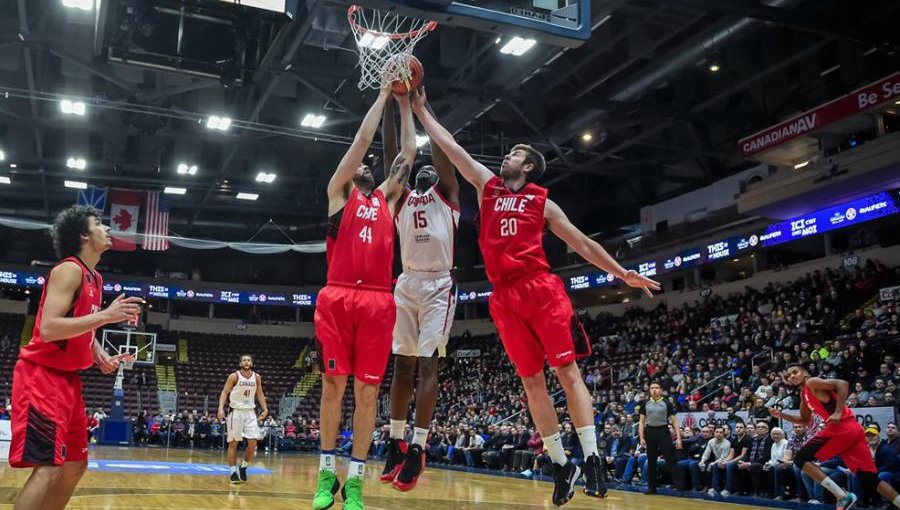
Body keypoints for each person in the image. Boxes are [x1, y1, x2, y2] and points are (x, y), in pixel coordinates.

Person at [411, 86, 659, 506]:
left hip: (541, 290)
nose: (504, 158)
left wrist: (620, 273)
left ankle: (594, 456)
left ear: (527, 166)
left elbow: (581, 242)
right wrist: (421, 109)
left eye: (513, 155)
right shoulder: (487, 187)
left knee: (567, 373)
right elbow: (451, 146)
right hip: (504, 297)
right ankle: (562, 464)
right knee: (530, 382)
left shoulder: (543, 202)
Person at [312, 84, 414, 510]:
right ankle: (324, 476)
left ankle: (354, 481)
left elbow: (407, 152)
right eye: (364, 164)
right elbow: (361, 141)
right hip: (337, 298)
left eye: (372, 166)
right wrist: (380, 97)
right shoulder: (339, 191)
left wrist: (405, 103)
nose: (367, 165)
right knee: (333, 388)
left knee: (368, 394)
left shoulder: (388, 199)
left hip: (377, 300)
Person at [9, 205, 140, 510]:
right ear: (84, 234)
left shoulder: (94, 277)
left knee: (74, 465)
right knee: (48, 468)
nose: (107, 229)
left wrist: (99, 354)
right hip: (41, 377)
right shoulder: (68, 269)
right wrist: (106, 316)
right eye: (100, 224)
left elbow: (82, 326)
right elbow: (50, 328)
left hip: (68, 381)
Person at [381, 96, 460, 492]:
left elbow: (442, 150)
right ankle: (396, 440)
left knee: (429, 365)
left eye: (430, 166)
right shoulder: (400, 198)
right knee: (402, 365)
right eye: (420, 166)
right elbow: (393, 154)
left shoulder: (448, 194)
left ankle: (418, 446)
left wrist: (424, 108)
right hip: (407, 282)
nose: (426, 168)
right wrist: (395, 107)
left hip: (438, 285)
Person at [770, 363, 900, 510]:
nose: (792, 376)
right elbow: (805, 421)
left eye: (795, 372)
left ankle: (843, 496)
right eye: (789, 375)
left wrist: (838, 411)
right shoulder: (804, 395)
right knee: (869, 479)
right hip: (853, 431)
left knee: (800, 459)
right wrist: (781, 415)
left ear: (804, 372)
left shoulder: (812, 382)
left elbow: (842, 384)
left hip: (841, 429)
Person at [217, 354, 268, 484]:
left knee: (253, 443)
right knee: (233, 443)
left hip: (250, 412)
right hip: (236, 411)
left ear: (251, 363)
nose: (246, 362)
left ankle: (244, 466)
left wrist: (265, 409)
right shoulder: (234, 376)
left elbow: (260, 394)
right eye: (244, 360)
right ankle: (233, 471)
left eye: (248, 360)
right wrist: (220, 408)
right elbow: (224, 392)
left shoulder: (257, 377)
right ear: (241, 363)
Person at [638, 382, 682, 494]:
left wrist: (678, 438)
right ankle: (652, 488)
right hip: (649, 432)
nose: (654, 390)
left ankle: (679, 486)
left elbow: (675, 422)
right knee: (651, 461)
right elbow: (641, 422)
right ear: (650, 390)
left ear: (661, 390)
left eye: (657, 388)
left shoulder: (667, 403)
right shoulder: (645, 403)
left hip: (663, 431)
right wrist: (642, 437)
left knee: (670, 459)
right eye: (652, 388)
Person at [702, 426, 733, 496]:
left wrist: (712, 463)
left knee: (714, 465)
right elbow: (706, 453)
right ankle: (707, 487)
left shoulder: (727, 443)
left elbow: (723, 457)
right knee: (702, 464)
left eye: (721, 432)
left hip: (726, 460)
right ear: (714, 433)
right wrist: (702, 461)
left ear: (723, 434)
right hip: (718, 461)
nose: (719, 434)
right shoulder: (711, 441)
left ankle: (716, 488)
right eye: (717, 432)